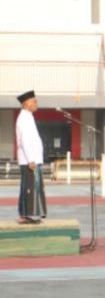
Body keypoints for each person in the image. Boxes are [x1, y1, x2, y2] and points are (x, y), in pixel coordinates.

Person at [15, 90, 47, 224]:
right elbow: (25, 140)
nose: (36, 104)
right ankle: (29, 215)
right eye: (34, 101)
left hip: (33, 159)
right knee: (30, 188)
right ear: (27, 103)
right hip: (30, 161)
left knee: (33, 187)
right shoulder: (23, 118)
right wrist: (31, 160)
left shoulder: (28, 116)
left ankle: (32, 213)